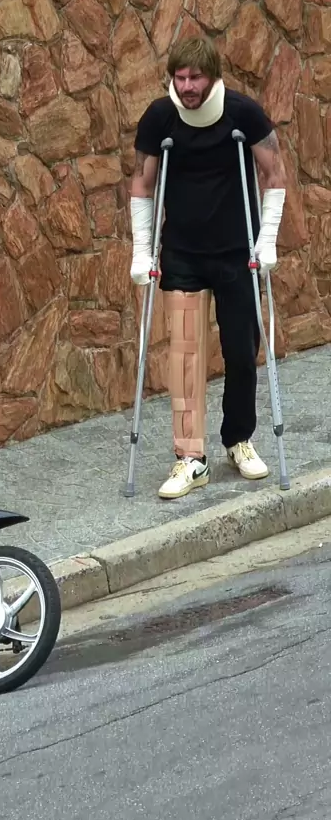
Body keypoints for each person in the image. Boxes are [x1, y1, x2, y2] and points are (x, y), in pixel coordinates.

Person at [129, 36, 287, 500]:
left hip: (237, 251)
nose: (187, 87)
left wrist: (267, 240)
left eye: (195, 77)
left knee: (240, 351)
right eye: (180, 78)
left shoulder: (243, 114)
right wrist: (142, 250)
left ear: (213, 77)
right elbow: (142, 184)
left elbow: (274, 174)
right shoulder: (160, 117)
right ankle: (190, 457)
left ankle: (238, 439)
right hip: (182, 253)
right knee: (185, 354)